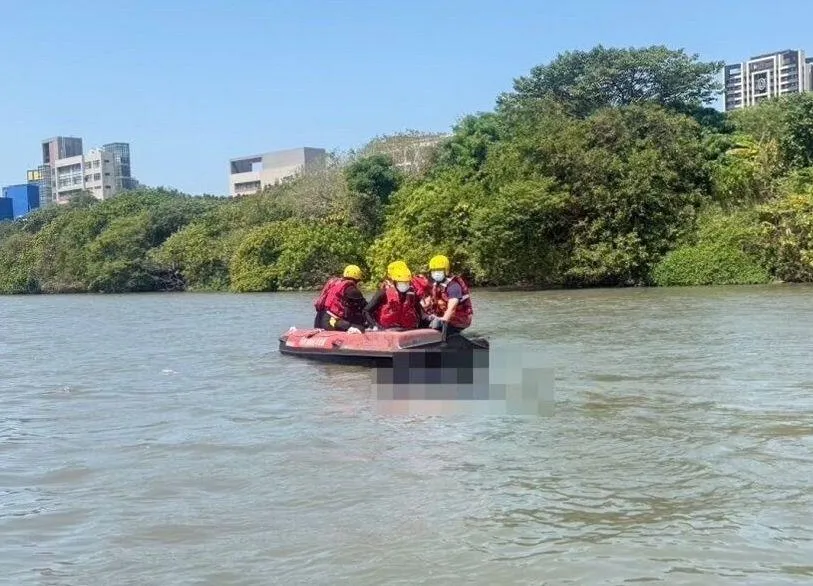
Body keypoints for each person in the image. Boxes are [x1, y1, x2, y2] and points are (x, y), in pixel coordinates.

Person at [364, 261, 424, 331]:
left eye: (407, 282)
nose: (404, 285)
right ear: (394, 281)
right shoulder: (383, 293)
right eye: (401, 282)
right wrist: (374, 326)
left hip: (407, 329)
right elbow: (366, 311)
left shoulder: (412, 295)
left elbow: (420, 313)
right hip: (386, 329)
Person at [425, 254, 473, 336]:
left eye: (439, 270)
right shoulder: (435, 285)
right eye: (434, 270)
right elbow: (427, 302)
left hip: (457, 320)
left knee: (438, 327)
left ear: (446, 271)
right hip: (443, 316)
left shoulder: (454, 286)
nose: (436, 273)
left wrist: (443, 321)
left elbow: (452, 309)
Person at [313, 264, 367, 333]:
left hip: (319, 321)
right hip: (330, 322)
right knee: (361, 328)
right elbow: (366, 307)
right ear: (357, 279)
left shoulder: (335, 284)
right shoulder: (351, 290)